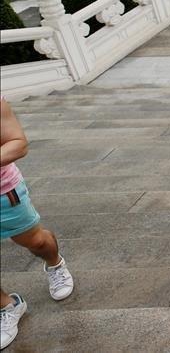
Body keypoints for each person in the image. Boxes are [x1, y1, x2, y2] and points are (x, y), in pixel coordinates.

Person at [1, 97, 75, 350]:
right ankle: (8, 306)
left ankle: (55, 264)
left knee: (35, 241)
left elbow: (18, 144)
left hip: (3, 194)